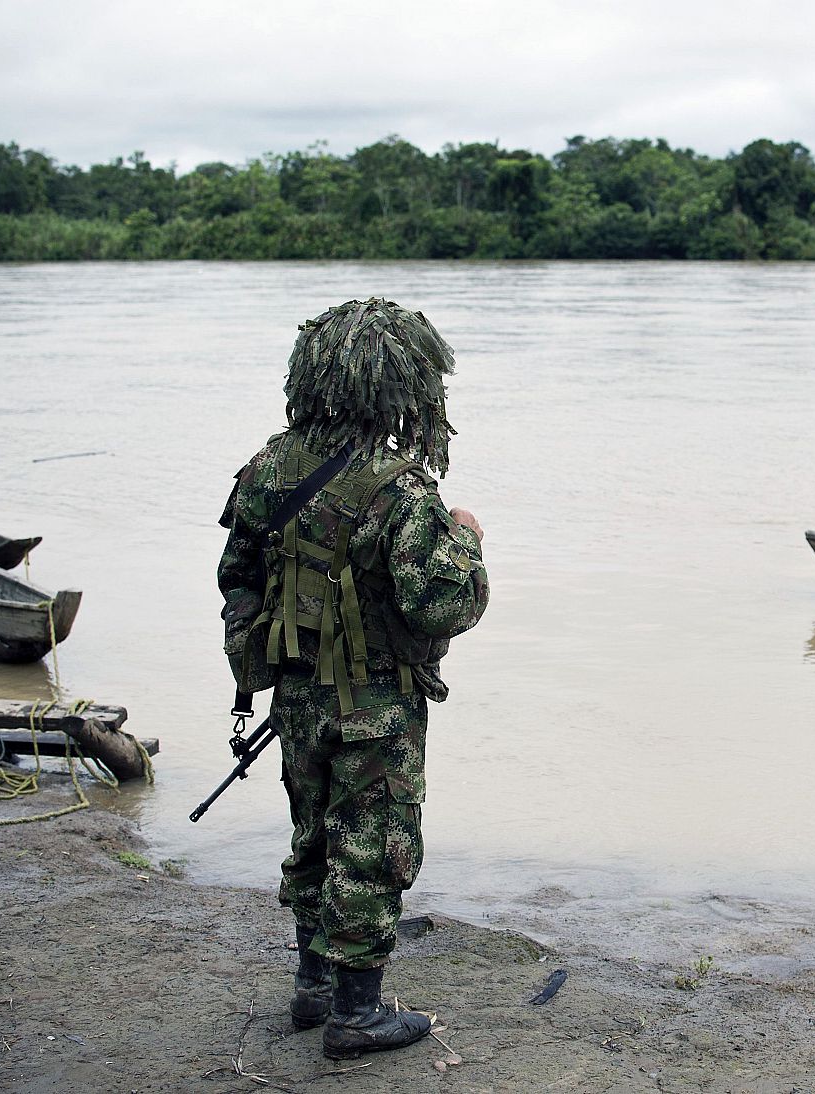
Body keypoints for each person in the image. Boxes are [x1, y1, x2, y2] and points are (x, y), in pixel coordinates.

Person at [217, 298, 489, 1059]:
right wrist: (466, 539)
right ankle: (357, 1015)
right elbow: (441, 605)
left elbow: (235, 575)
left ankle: (311, 988)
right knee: (371, 845)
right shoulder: (401, 489)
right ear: (402, 388)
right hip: (376, 702)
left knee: (312, 835)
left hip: (295, 697)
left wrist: (254, 658)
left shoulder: (269, 467)